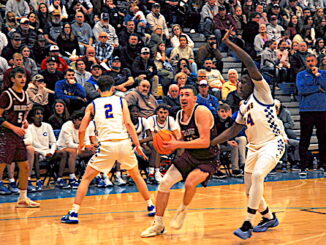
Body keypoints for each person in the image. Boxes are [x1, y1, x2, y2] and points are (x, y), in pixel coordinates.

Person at [210, 29, 286, 240]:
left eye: (242, 82)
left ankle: (247, 223)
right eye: (238, 83)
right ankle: (269, 217)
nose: (239, 85)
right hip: (254, 147)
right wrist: (211, 142)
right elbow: (233, 130)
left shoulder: (262, 92)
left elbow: (250, 63)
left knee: (259, 176)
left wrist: (229, 43)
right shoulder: (244, 106)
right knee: (249, 190)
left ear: (252, 83)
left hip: (273, 143)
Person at [61, 75, 156, 224]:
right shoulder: (121, 101)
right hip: (124, 143)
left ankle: (74, 212)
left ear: (98, 89)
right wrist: (137, 145)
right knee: (137, 176)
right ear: (113, 89)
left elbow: (82, 130)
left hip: (106, 145)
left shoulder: (93, 105)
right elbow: (129, 124)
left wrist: (81, 146)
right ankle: (151, 206)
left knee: (86, 178)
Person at [141, 85, 219, 237]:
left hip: (208, 157)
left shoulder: (201, 111)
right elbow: (182, 138)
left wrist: (178, 144)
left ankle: (183, 209)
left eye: (187, 94)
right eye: (181, 95)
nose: (183, 97)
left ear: (194, 98)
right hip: (190, 155)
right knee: (164, 184)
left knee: (190, 182)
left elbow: (204, 141)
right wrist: (168, 142)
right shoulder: (178, 115)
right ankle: (158, 224)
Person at [0, 67, 40, 208]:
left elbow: (20, 113)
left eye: (23, 76)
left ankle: (23, 198)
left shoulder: (24, 94)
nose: (22, 79)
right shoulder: (6, 95)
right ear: (12, 79)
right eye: (18, 76)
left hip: (17, 136)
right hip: (5, 135)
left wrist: (23, 121)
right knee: (1, 167)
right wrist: (14, 127)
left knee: (24, 166)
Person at [296, 54, 326, 175]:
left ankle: (324, 164)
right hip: (306, 110)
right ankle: (303, 166)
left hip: (322, 110)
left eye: (312, 61)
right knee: (305, 138)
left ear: (316, 61)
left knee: (323, 138)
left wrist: (318, 76)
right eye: (308, 61)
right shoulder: (301, 75)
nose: (310, 63)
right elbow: (302, 90)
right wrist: (318, 89)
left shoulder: (323, 73)